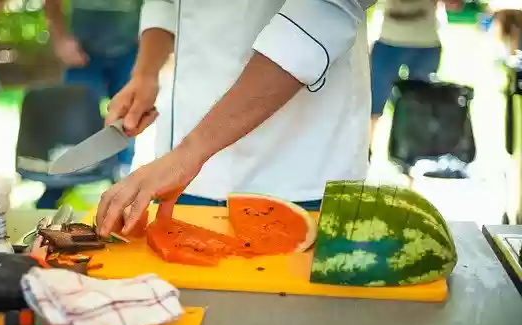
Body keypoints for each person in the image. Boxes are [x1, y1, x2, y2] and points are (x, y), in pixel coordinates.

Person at [95, 0, 376, 236]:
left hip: (298, 165)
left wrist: (191, 151)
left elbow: (324, 11)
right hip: (181, 177)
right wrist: (145, 72)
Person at [44, 0, 143, 179]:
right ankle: (60, 182)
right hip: (81, 51)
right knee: (75, 116)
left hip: (128, 48)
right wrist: (60, 39)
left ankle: (121, 172)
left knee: (128, 114)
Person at [369, 0, 463, 144]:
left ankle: (412, 152)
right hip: (389, 41)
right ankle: (366, 150)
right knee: (373, 102)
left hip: (425, 44)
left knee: (420, 105)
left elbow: (455, 5)